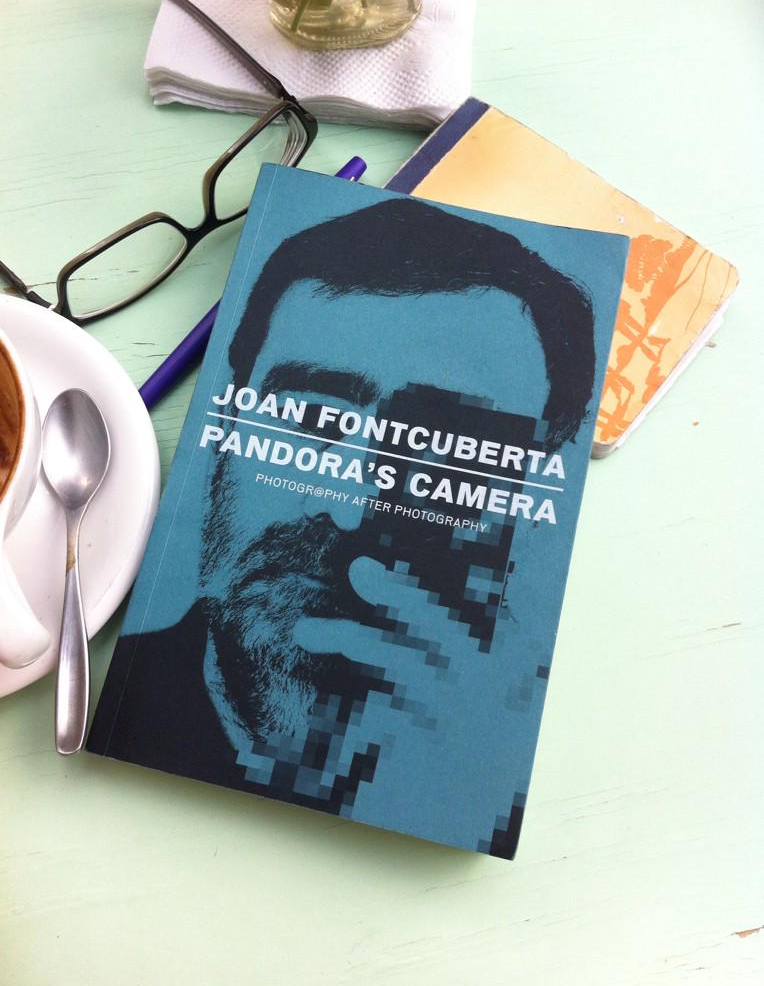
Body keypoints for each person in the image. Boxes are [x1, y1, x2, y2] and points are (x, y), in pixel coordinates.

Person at [98, 196, 595, 857]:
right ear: (224, 429)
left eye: (439, 446)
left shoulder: (484, 786)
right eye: (311, 419)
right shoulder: (126, 697)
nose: (349, 505)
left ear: (529, 500)